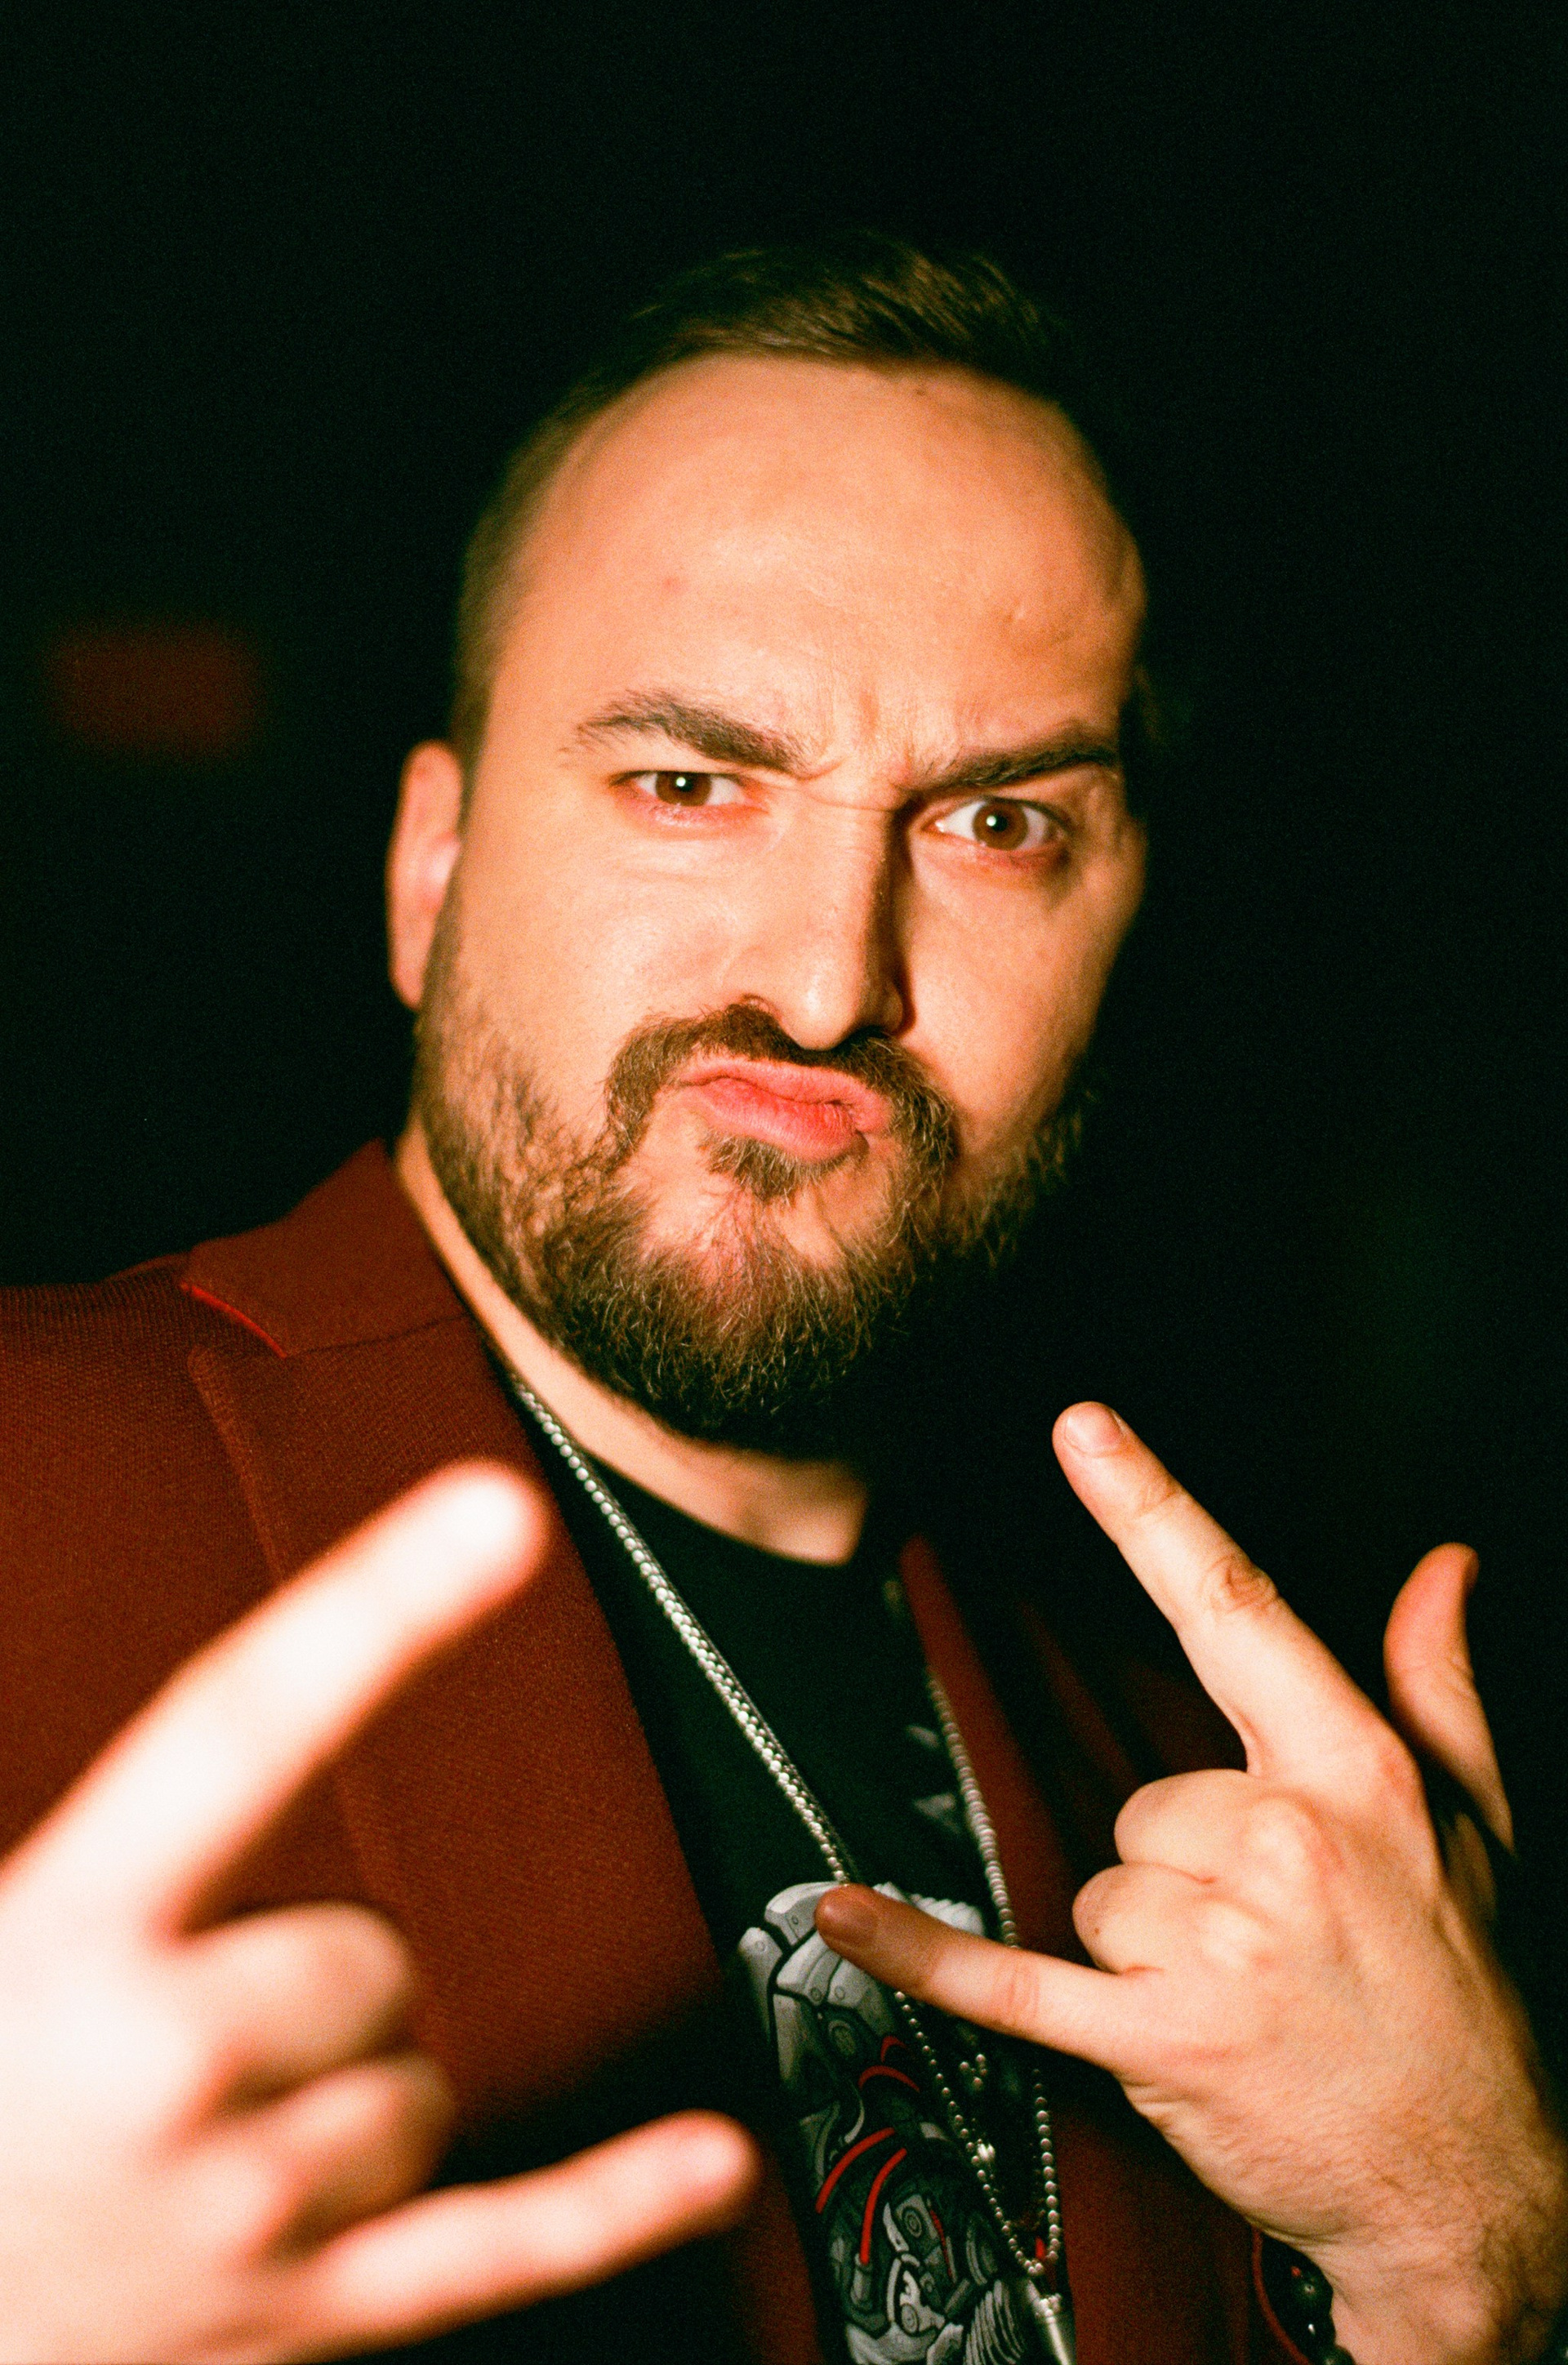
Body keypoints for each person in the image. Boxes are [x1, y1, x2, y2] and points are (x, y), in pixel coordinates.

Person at [1, 235, 1563, 2365]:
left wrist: (1471, 2255)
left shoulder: (1230, 1791)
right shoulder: (32, 1492)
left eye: (997, 821)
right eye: (690, 784)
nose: (829, 979)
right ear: (429, 871)